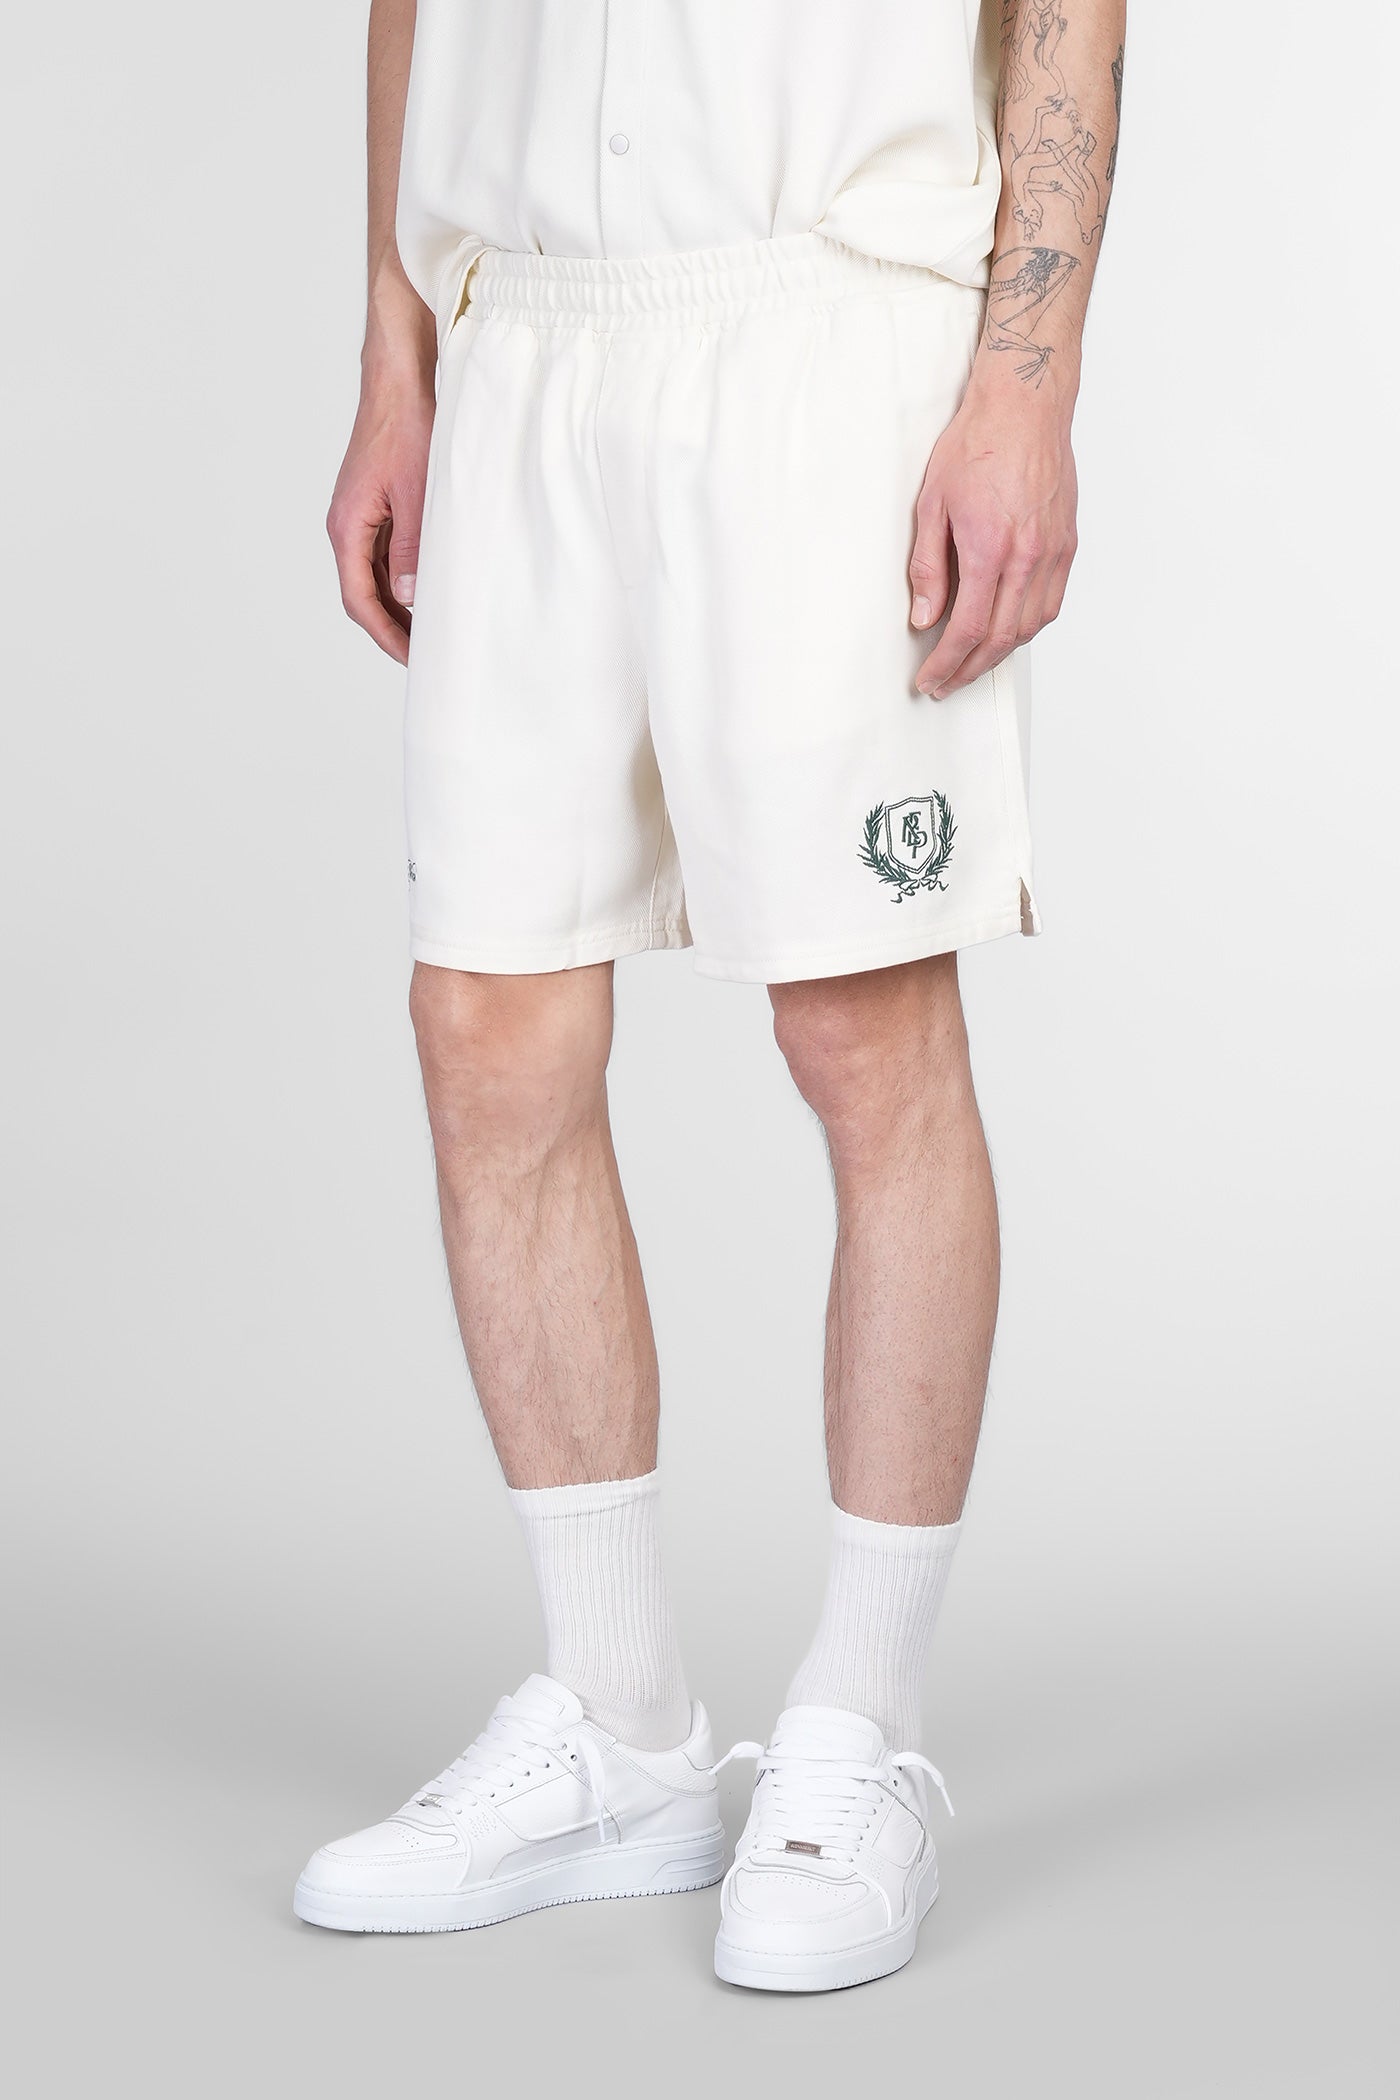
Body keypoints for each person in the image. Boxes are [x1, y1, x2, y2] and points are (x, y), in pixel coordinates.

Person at [294, 0, 1124, 1993]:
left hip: (821, 323)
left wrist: (1024, 389)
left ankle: (862, 1725)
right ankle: (620, 1726)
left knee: (858, 1024)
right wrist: (396, 355)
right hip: (522, 334)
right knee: (486, 1024)